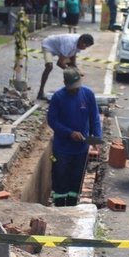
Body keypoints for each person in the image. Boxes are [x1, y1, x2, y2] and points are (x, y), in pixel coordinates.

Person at [47, 67, 101, 207]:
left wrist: (97, 137)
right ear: (64, 83)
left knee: (76, 179)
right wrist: (69, 133)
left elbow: (94, 117)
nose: (74, 91)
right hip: (62, 149)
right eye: (71, 88)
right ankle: (59, 206)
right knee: (60, 178)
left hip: (81, 149)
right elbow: (52, 120)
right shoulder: (58, 97)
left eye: (76, 88)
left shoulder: (88, 94)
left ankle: (72, 207)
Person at [37, 33, 94, 100]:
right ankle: (40, 92)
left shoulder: (79, 42)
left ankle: (73, 90)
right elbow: (59, 63)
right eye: (85, 46)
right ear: (81, 40)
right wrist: (72, 71)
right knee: (49, 66)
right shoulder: (69, 43)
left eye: (87, 47)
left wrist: (76, 69)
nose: (84, 48)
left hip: (59, 48)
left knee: (73, 69)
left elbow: (73, 56)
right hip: (49, 45)